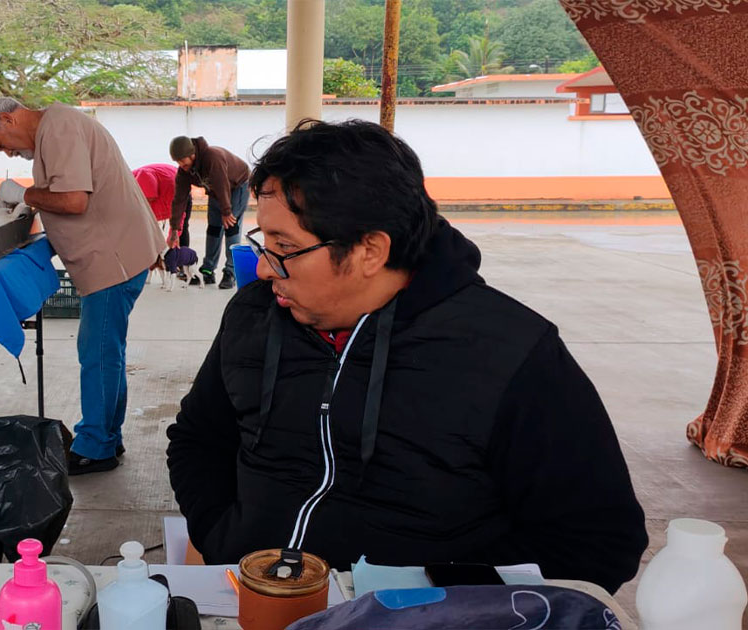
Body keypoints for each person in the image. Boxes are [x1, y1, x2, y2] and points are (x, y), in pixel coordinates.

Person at [166, 120, 648, 593]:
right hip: (253, 599)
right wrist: (222, 536)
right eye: (263, 242)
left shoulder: (508, 350)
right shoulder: (253, 316)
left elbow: (598, 540)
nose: (266, 269)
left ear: (369, 251)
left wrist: (446, 602)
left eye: (284, 247)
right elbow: (196, 438)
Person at [0, 97, 165, 475]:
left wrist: (25, 194)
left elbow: (75, 200)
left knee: (97, 353)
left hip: (113, 259)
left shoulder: (58, 128)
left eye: (2, 143)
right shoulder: (55, 127)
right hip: (116, 253)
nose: (10, 153)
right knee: (105, 351)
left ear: (9, 118)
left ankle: (96, 448)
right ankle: (108, 436)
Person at [168, 135, 250, 289]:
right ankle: (208, 269)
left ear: (192, 154)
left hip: (238, 185)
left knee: (231, 227)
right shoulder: (184, 172)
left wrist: (226, 211)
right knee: (213, 228)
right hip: (216, 192)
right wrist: (175, 229)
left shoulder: (212, 157)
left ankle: (230, 272)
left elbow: (221, 183)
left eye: (182, 160)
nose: (180, 164)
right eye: (177, 161)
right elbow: (179, 200)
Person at [133, 163, 191, 248]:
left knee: (181, 231)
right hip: (167, 186)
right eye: (146, 200)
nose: (148, 204)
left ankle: (182, 258)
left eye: (151, 200)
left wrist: (174, 233)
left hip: (181, 188)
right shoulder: (128, 190)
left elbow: (180, 215)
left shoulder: (174, 192)